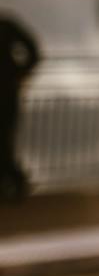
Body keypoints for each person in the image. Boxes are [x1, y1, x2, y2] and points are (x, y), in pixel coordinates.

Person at [0, 11, 41, 201]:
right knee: (4, 139)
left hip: (6, 91)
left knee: (3, 141)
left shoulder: (7, 24)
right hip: (8, 90)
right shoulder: (7, 24)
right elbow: (33, 52)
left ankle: (16, 182)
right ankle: (14, 182)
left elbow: (33, 52)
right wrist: (19, 72)